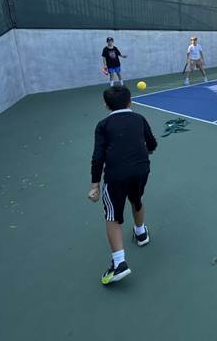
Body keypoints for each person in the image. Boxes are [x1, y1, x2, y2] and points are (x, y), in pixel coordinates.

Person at [89, 85, 158, 285]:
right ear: (130, 102)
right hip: (141, 169)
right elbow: (152, 143)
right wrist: (145, 151)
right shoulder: (139, 119)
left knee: (112, 215)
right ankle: (141, 233)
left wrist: (95, 185)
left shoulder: (103, 125)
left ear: (105, 106)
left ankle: (119, 263)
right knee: (136, 198)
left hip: (116, 175)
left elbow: (97, 157)